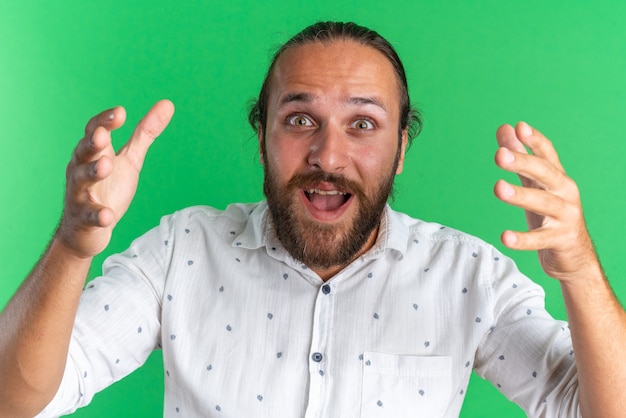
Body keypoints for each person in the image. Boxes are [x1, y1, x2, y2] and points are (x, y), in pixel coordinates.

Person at [0, 21, 624, 418]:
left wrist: (580, 271)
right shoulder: (179, 249)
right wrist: (74, 244)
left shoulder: (469, 275)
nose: (328, 156)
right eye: (300, 120)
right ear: (263, 135)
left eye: (363, 125)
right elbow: (15, 399)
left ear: (402, 147)